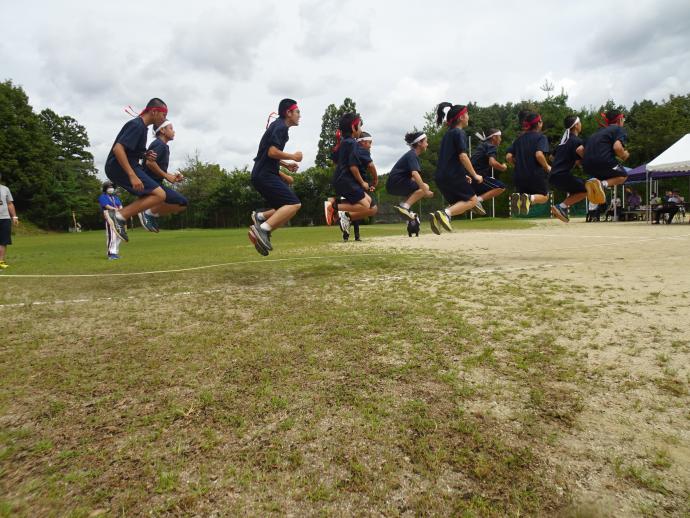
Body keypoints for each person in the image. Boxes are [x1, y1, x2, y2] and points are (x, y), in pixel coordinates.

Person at [104, 98, 185, 242]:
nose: (164, 118)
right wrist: (132, 175)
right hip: (118, 167)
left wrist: (145, 154)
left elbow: (133, 151)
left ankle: (125, 216)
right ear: (154, 111)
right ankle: (118, 216)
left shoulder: (143, 128)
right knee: (159, 195)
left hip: (130, 166)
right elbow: (118, 149)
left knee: (160, 195)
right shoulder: (136, 125)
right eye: (163, 115)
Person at [248, 98, 303, 256]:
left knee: (283, 208)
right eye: (297, 112)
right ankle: (262, 229)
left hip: (262, 173)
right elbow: (272, 152)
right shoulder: (281, 127)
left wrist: (285, 166)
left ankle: (259, 217)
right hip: (264, 175)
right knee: (294, 204)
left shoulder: (277, 126)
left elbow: (267, 153)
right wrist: (293, 157)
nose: (299, 115)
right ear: (288, 113)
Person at [431, 102, 484, 234]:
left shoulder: (447, 135)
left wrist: (462, 174)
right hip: (451, 175)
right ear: (461, 117)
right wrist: (474, 175)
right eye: (467, 114)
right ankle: (445, 214)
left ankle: (440, 218)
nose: (468, 117)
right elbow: (463, 156)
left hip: (442, 176)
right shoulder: (459, 133)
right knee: (472, 200)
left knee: (460, 202)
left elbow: (450, 158)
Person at [325, 113, 378, 234]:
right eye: (359, 126)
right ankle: (333, 205)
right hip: (346, 181)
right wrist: (362, 182)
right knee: (366, 206)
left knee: (368, 203)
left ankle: (337, 207)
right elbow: (353, 166)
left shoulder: (344, 142)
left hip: (341, 180)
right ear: (353, 128)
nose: (361, 129)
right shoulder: (353, 143)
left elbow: (335, 160)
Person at [139, 119, 187, 232]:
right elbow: (149, 163)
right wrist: (166, 176)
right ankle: (148, 213)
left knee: (181, 203)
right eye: (171, 128)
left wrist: (172, 177)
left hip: (155, 183)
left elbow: (155, 167)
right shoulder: (159, 145)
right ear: (162, 130)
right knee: (182, 202)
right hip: (150, 184)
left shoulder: (161, 145)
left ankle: (151, 214)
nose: (174, 131)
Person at [506, 111, 550, 216]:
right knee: (544, 197)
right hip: (535, 174)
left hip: (519, 175)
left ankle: (524, 199)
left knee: (523, 196)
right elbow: (539, 155)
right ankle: (530, 198)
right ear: (539, 123)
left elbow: (508, 157)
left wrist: (518, 164)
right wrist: (547, 167)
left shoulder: (518, 139)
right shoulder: (541, 137)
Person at [582, 109, 629, 205]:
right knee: (623, 175)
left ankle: (596, 183)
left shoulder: (596, 133)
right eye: (623, 119)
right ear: (619, 119)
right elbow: (617, 147)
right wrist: (624, 155)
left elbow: (579, 149)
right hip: (604, 161)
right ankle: (602, 185)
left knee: (600, 177)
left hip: (587, 165)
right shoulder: (618, 129)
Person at [385, 131, 433, 222]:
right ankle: (404, 207)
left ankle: (407, 213)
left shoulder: (412, 155)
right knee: (425, 186)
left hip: (393, 185)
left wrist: (421, 190)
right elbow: (415, 174)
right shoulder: (412, 155)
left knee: (417, 190)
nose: (427, 144)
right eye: (426, 141)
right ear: (419, 143)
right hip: (396, 183)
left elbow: (412, 178)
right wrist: (425, 190)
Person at [548, 115, 587, 222]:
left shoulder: (563, 142)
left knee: (578, 190)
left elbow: (551, 157)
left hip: (553, 176)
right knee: (586, 189)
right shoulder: (576, 141)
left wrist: (563, 162)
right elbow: (580, 154)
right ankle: (561, 207)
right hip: (562, 175)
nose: (581, 125)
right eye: (580, 123)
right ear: (576, 125)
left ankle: (563, 207)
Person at [341, 131, 378, 241]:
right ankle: (343, 218)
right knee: (370, 208)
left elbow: (361, 171)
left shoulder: (355, 151)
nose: (370, 146)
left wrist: (368, 184)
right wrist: (375, 179)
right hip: (354, 185)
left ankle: (353, 235)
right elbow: (370, 166)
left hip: (353, 185)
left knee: (359, 210)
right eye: (369, 143)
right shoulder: (360, 151)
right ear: (362, 142)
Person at [470, 128, 508, 215]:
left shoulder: (482, 146)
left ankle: (445, 214)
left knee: (461, 201)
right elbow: (492, 162)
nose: (501, 139)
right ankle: (477, 201)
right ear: (494, 137)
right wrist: (503, 167)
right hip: (477, 176)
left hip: (467, 176)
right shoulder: (491, 146)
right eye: (500, 137)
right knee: (500, 187)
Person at [98, 181, 123, 260]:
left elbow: (120, 205)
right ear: (105, 188)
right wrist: (114, 209)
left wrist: (121, 209)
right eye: (109, 187)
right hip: (109, 216)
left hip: (118, 216)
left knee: (119, 236)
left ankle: (115, 252)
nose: (111, 189)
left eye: (112, 187)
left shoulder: (115, 197)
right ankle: (110, 254)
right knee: (111, 235)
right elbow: (106, 205)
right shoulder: (103, 197)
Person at [0, 173, 19, 269]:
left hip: (4, 218)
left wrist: (14, 217)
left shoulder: (5, 189)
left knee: (3, 241)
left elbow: (10, 204)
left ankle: (1, 261)